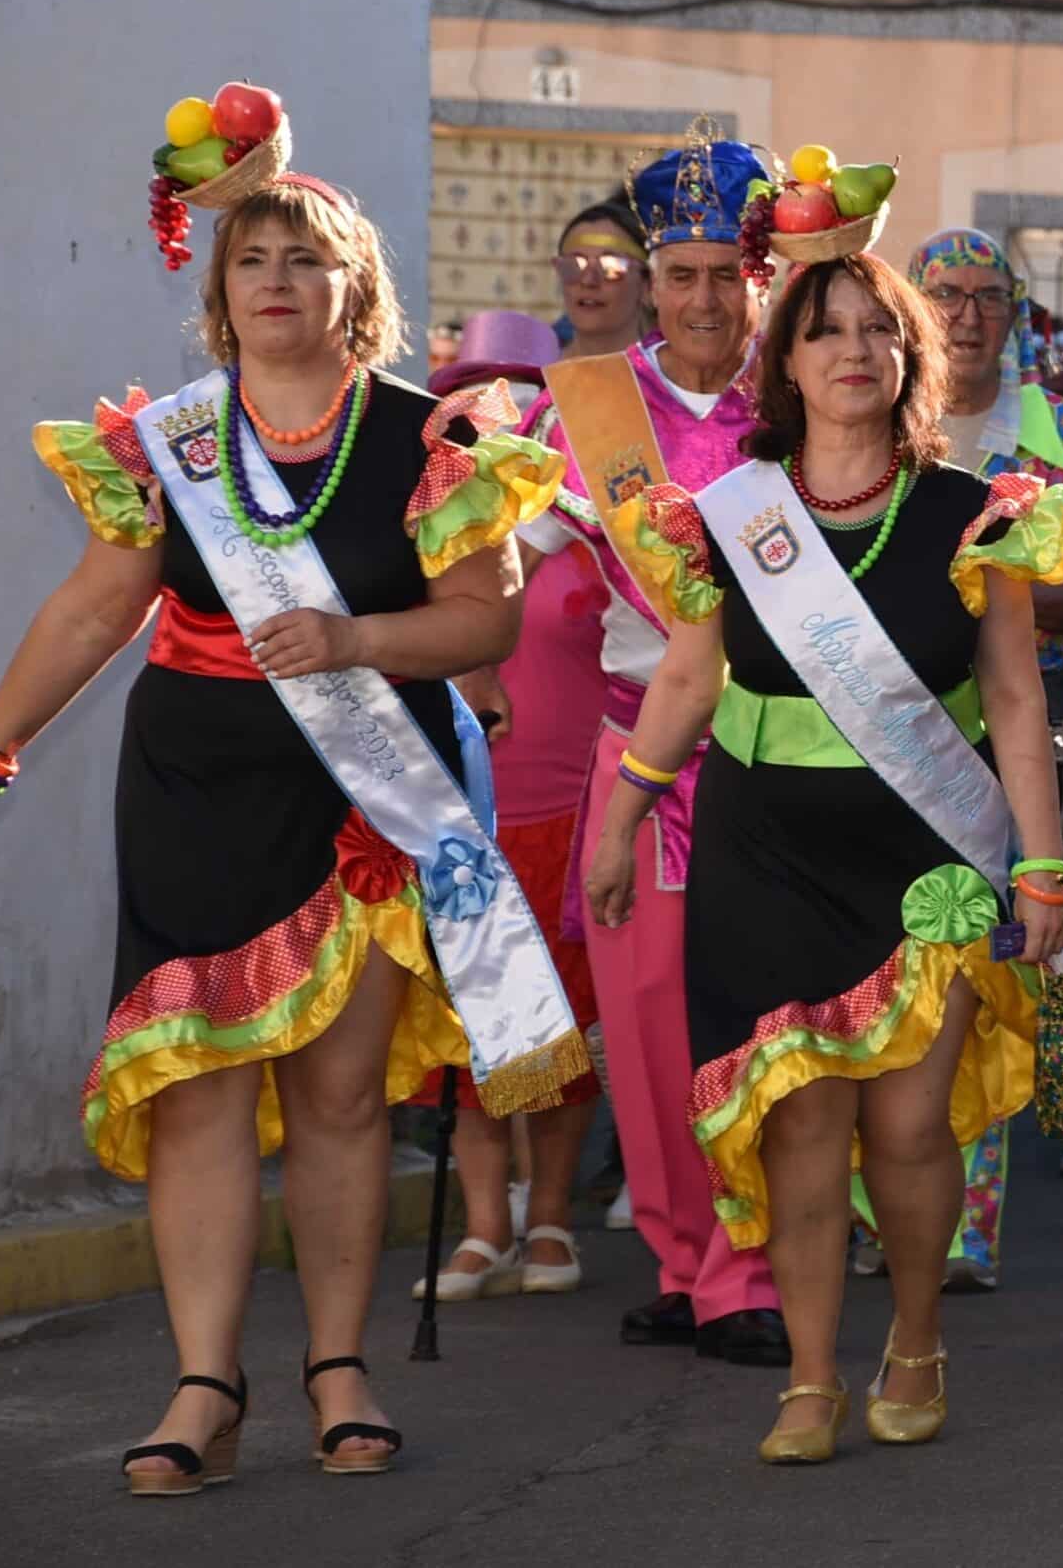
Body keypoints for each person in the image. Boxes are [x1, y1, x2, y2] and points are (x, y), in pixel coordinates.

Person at [0, 166, 576, 1491]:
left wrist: (356, 637)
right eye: (250, 258)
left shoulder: (426, 438)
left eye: (305, 257)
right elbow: (91, 614)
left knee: (339, 1100)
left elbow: (485, 620)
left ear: (357, 288)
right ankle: (203, 1382)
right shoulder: (169, 443)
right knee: (197, 1094)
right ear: (218, 293)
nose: (275, 277)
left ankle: (338, 1369)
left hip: (358, 796)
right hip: (188, 791)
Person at [583, 252, 1063, 1465]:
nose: (853, 350)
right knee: (802, 1128)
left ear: (909, 353)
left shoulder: (974, 512)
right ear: (789, 362)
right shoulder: (728, 516)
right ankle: (812, 1373)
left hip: (927, 855)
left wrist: (1040, 866)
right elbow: (686, 678)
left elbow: (1015, 700)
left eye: (878, 329)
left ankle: (913, 1336)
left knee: (914, 1132)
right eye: (825, 332)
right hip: (765, 853)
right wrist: (619, 822)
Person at [511, 121, 788, 1364]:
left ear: (761, 278)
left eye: (727, 272)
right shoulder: (584, 408)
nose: (703, 298)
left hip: (769, 749)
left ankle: (754, 1267)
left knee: (753, 1015)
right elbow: (530, 558)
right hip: (633, 747)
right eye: (680, 273)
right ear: (647, 281)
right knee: (642, 1021)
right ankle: (683, 1256)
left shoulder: (796, 397)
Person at [903, 227, 1063, 1289]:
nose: (964, 313)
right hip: (894, 728)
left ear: (1016, 309)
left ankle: (964, 1223)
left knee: (992, 969)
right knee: (900, 966)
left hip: (1023, 724)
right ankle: (884, 1201)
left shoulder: (1061, 429)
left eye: (986, 295)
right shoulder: (879, 418)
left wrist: (1007, 586)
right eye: (942, 292)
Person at [412, 311, 608, 1302]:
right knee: (472, 1034)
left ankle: (551, 1219)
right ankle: (484, 1226)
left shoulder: (588, 533)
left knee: (560, 1029)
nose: (493, 408)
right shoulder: (436, 536)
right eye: (474, 389)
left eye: (515, 390)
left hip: (573, 809)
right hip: (464, 811)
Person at [552, 200, 653, 356]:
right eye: (574, 264)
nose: (588, 280)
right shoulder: (535, 376)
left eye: (611, 266)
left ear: (647, 284)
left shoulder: (672, 378)